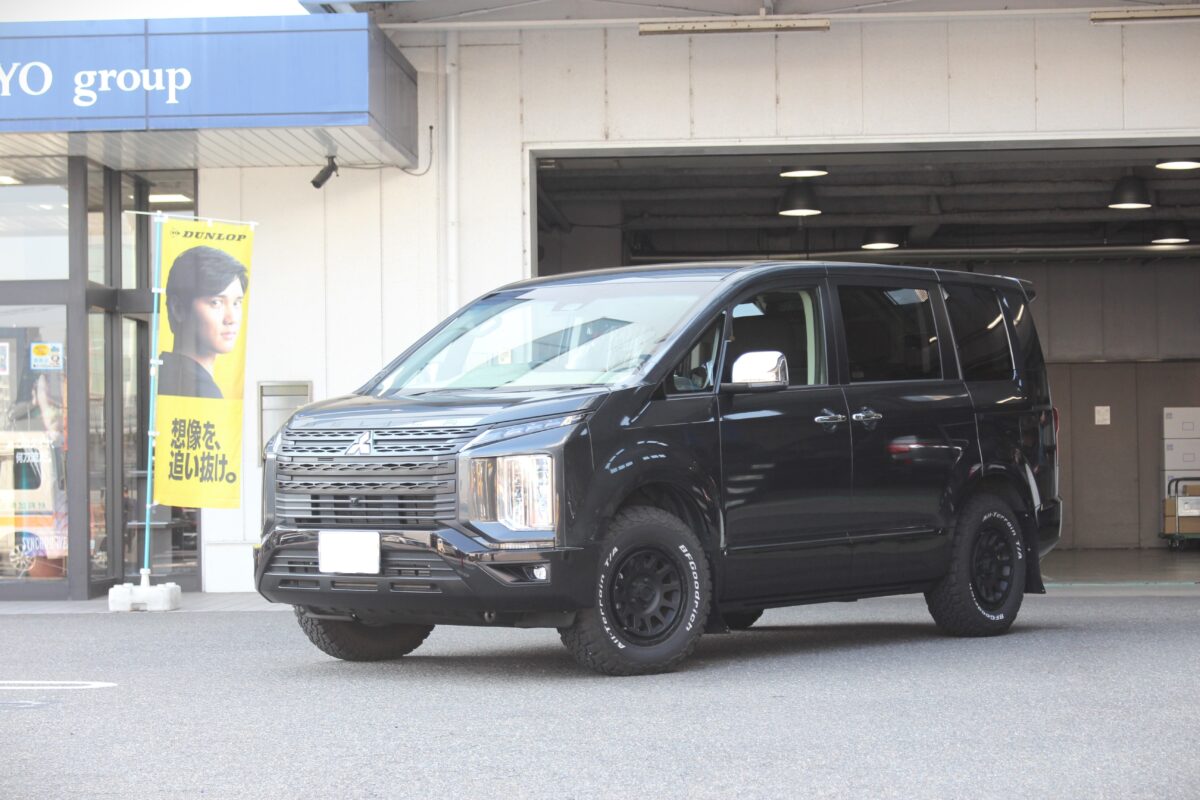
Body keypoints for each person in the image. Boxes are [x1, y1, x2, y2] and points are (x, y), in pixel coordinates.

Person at [157, 246, 248, 399]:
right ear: (178, 308)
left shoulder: (163, 371)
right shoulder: (202, 392)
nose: (231, 319)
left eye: (236, 303)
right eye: (216, 302)